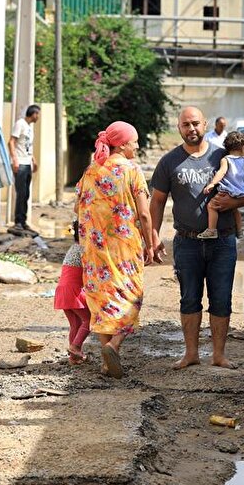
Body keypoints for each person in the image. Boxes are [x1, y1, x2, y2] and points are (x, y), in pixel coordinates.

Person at [150, 106, 244, 370]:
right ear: (179, 128)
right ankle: (191, 354)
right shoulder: (169, 162)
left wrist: (233, 203)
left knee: (221, 298)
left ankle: (218, 355)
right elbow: (157, 202)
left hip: (222, 240)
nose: (192, 129)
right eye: (186, 125)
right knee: (189, 298)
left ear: (205, 124)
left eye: (196, 123)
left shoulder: (225, 156)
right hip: (186, 241)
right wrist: (153, 236)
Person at [76, 121, 153, 379]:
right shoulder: (131, 170)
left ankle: (107, 362)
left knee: (101, 300)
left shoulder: (91, 170)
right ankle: (114, 345)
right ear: (122, 144)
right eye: (135, 142)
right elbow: (143, 212)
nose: (138, 146)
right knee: (132, 296)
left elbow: (79, 207)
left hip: (94, 248)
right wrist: (151, 243)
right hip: (124, 248)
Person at [199, 131, 244, 239]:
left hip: (226, 192)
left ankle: (212, 230)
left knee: (211, 206)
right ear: (243, 147)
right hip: (241, 193)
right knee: (235, 209)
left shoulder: (226, 159)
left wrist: (212, 184)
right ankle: (239, 230)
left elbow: (221, 172)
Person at [54, 221, 90, 365]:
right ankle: (75, 347)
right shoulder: (84, 249)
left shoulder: (73, 248)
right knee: (89, 320)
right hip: (73, 291)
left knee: (75, 324)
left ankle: (73, 357)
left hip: (62, 290)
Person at [9, 105, 40, 236]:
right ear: (32, 114)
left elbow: (28, 146)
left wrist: (33, 159)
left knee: (26, 194)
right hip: (20, 163)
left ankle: (23, 221)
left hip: (27, 164)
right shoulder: (20, 124)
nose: (38, 117)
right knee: (20, 193)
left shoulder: (29, 128)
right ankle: (17, 222)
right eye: (37, 114)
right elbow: (11, 142)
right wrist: (15, 159)